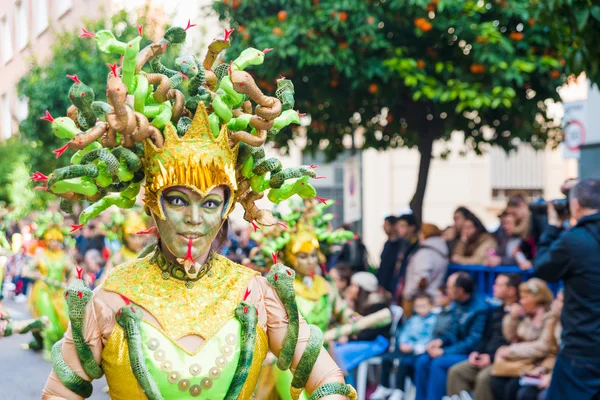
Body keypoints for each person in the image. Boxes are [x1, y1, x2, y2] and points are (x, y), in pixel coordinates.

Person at [41, 23, 353, 400]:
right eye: (177, 200)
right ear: (153, 202)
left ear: (227, 207)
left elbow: (328, 379)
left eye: (209, 202)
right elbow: (60, 393)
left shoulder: (255, 293)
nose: (194, 218)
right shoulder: (111, 297)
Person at [533, 179, 600, 400]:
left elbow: (542, 268)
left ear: (575, 205)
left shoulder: (575, 239)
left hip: (582, 348)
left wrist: (552, 227)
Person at [414, 272, 488, 400]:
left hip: (470, 353)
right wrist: (439, 342)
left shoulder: (480, 308)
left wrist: (443, 351)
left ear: (459, 291)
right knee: (422, 360)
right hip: (454, 349)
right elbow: (452, 332)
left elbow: (473, 341)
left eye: (449, 287)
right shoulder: (458, 303)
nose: (447, 290)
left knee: (438, 363)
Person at [447, 273, 521, 399]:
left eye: (498, 284)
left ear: (511, 290)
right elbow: (485, 336)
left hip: (502, 360)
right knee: (456, 371)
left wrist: (491, 358)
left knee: (483, 378)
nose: (494, 287)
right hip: (485, 357)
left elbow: (511, 342)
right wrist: (476, 352)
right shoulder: (495, 310)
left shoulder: (520, 313)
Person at [489, 278, 555, 400]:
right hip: (520, 362)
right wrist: (512, 318)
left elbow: (544, 347)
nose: (521, 301)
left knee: (515, 387)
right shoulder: (526, 317)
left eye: (525, 298)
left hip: (537, 364)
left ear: (536, 299)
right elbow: (509, 336)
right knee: (496, 380)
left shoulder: (550, 318)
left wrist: (511, 350)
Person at [371, 294, 438, 400]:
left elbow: (429, 338)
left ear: (431, 306)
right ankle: (384, 386)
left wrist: (413, 347)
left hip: (417, 350)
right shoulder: (414, 319)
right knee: (387, 358)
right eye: (417, 306)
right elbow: (405, 332)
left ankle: (399, 390)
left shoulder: (433, 321)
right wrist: (402, 343)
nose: (420, 309)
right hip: (405, 347)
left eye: (423, 306)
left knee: (403, 362)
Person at [23, 226, 73, 359]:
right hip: (43, 289)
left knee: (65, 321)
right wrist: (39, 276)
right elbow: (25, 271)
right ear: (46, 241)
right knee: (48, 320)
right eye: (51, 240)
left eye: (57, 240)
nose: (54, 243)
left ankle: (60, 348)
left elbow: (73, 272)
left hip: (60, 291)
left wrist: (71, 283)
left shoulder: (64, 257)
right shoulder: (41, 255)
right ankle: (48, 347)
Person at [333, 272, 392, 385]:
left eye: (354, 285)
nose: (350, 288)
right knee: (331, 348)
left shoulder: (378, 305)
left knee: (340, 354)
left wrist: (349, 338)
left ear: (362, 288)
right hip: (361, 338)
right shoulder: (360, 302)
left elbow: (371, 332)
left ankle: (347, 390)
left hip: (376, 342)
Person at [514, 290, 563, 400]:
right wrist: (544, 368)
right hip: (546, 366)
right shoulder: (555, 319)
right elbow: (553, 353)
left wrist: (551, 376)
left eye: (561, 300)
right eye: (557, 299)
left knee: (544, 396)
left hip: (566, 373)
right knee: (524, 393)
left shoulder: (555, 320)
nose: (556, 304)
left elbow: (544, 347)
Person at [402, 223, 449, 317]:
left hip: (419, 301)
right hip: (433, 297)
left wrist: (409, 294)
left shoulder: (426, 253)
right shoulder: (441, 251)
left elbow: (422, 278)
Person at [377, 216, 402, 292]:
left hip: (392, 285)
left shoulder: (399, 245)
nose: (383, 227)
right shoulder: (387, 244)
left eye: (386, 224)